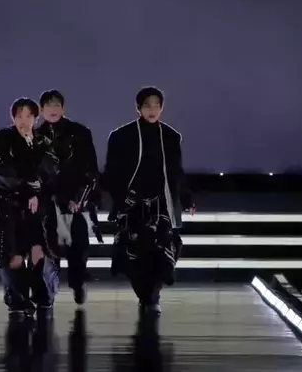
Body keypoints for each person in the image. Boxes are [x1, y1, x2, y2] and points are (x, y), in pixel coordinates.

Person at [104, 86, 193, 316]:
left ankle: (153, 295)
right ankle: (146, 295)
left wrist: (186, 198)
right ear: (138, 108)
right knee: (135, 251)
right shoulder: (122, 136)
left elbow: (177, 171)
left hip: (162, 202)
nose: (152, 110)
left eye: (156, 106)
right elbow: (111, 172)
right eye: (147, 106)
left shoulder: (171, 137)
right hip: (132, 203)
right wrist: (121, 198)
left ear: (162, 108)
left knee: (164, 247)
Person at [0, 97, 58, 317]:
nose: (23, 121)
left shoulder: (42, 142)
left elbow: (49, 173)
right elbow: (1, 172)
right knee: (14, 255)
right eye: (19, 116)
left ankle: (43, 296)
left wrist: (32, 147)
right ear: (13, 118)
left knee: (38, 251)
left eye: (28, 116)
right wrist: (29, 189)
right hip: (8, 207)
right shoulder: (1, 140)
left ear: (35, 118)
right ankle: (17, 299)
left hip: (36, 209)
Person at [35, 89, 101, 305]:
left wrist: (79, 198)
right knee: (49, 246)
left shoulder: (80, 133)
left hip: (74, 198)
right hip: (47, 199)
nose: (53, 109)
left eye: (57, 105)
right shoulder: (35, 136)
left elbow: (90, 169)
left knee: (77, 247)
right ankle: (49, 291)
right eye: (48, 105)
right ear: (41, 110)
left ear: (63, 108)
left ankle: (77, 283)